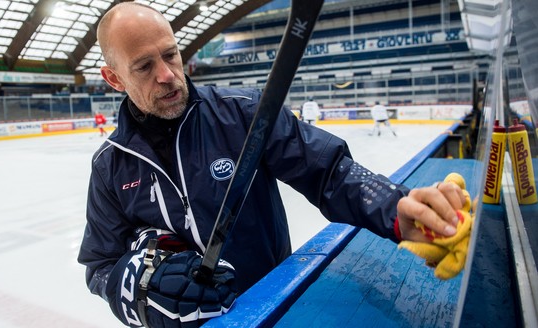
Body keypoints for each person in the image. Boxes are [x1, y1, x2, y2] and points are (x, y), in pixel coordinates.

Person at [77, 3, 466, 327]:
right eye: (144, 67)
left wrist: (396, 209)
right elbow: (100, 264)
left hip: (270, 310)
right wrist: (140, 287)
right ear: (113, 79)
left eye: (171, 54)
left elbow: (329, 172)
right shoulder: (111, 165)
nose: (167, 75)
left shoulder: (245, 114)